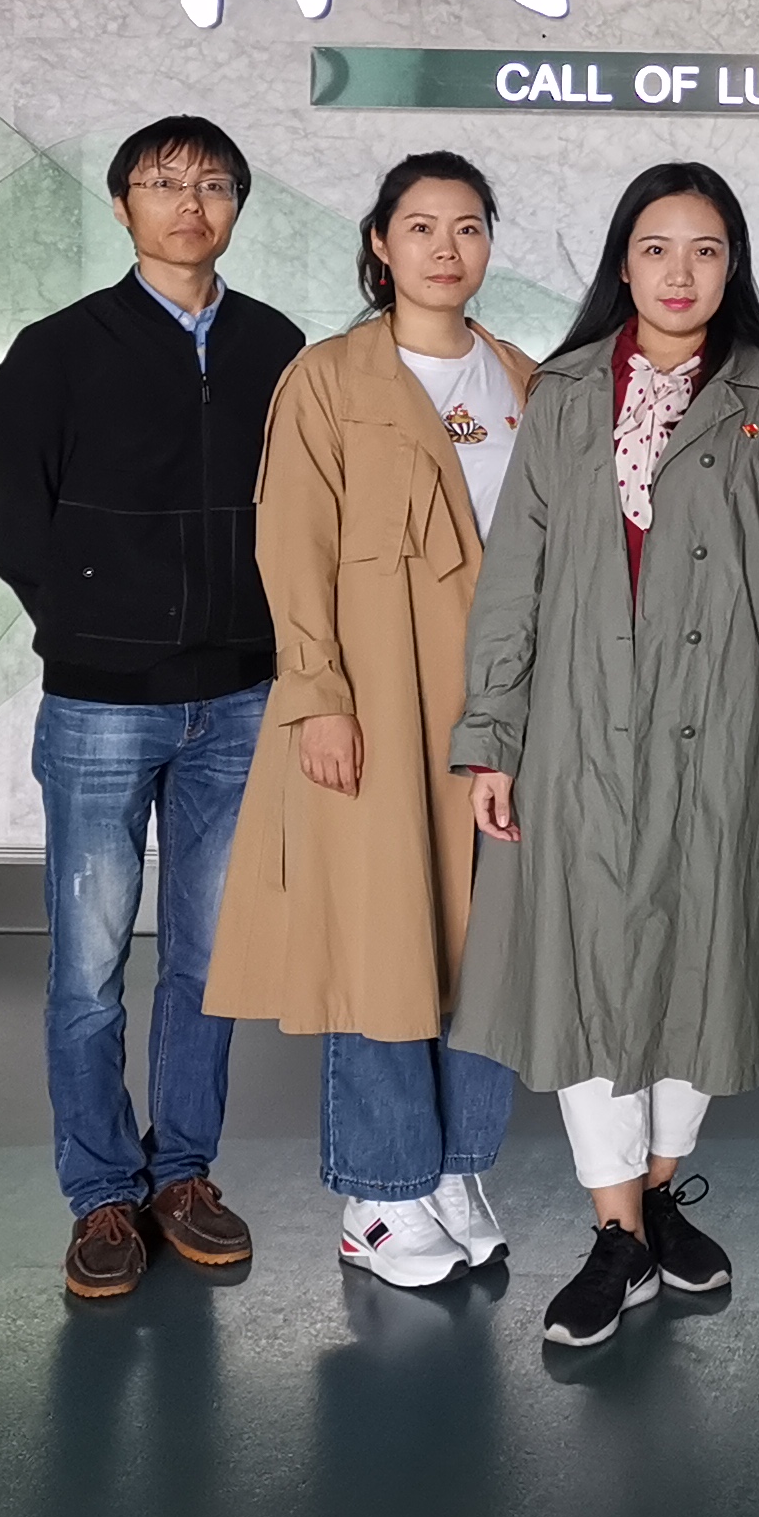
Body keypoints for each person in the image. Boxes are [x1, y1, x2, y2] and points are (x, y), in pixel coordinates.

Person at [447, 162, 759, 1349]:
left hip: (724, 728)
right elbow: (514, 578)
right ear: (623, 264)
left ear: (734, 268)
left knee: (701, 965)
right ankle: (617, 1230)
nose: (682, 273)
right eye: (658, 248)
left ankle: (659, 1193)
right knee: (585, 972)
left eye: (707, 250)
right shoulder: (568, 391)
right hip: (578, 729)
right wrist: (491, 737)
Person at [0, 116, 305, 1302]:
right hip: (103, 705)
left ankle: (184, 1176)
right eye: (163, 184)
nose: (189, 203)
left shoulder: (277, 346)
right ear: (122, 207)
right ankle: (101, 1194)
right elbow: (16, 522)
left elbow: (302, 511)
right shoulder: (57, 350)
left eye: (212, 184)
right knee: (88, 967)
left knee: (210, 962)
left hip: (241, 697)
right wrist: (89, 624)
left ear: (237, 208)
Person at [202, 152, 533, 1290]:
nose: (447, 248)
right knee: (381, 934)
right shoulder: (329, 378)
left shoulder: (524, 379)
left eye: (469, 226)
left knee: (490, 944)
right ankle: (381, 1195)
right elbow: (290, 542)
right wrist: (318, 695)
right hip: (379, 702)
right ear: (381, 245)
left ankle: (458, 1168)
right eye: (422, 226)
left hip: (499, 708)